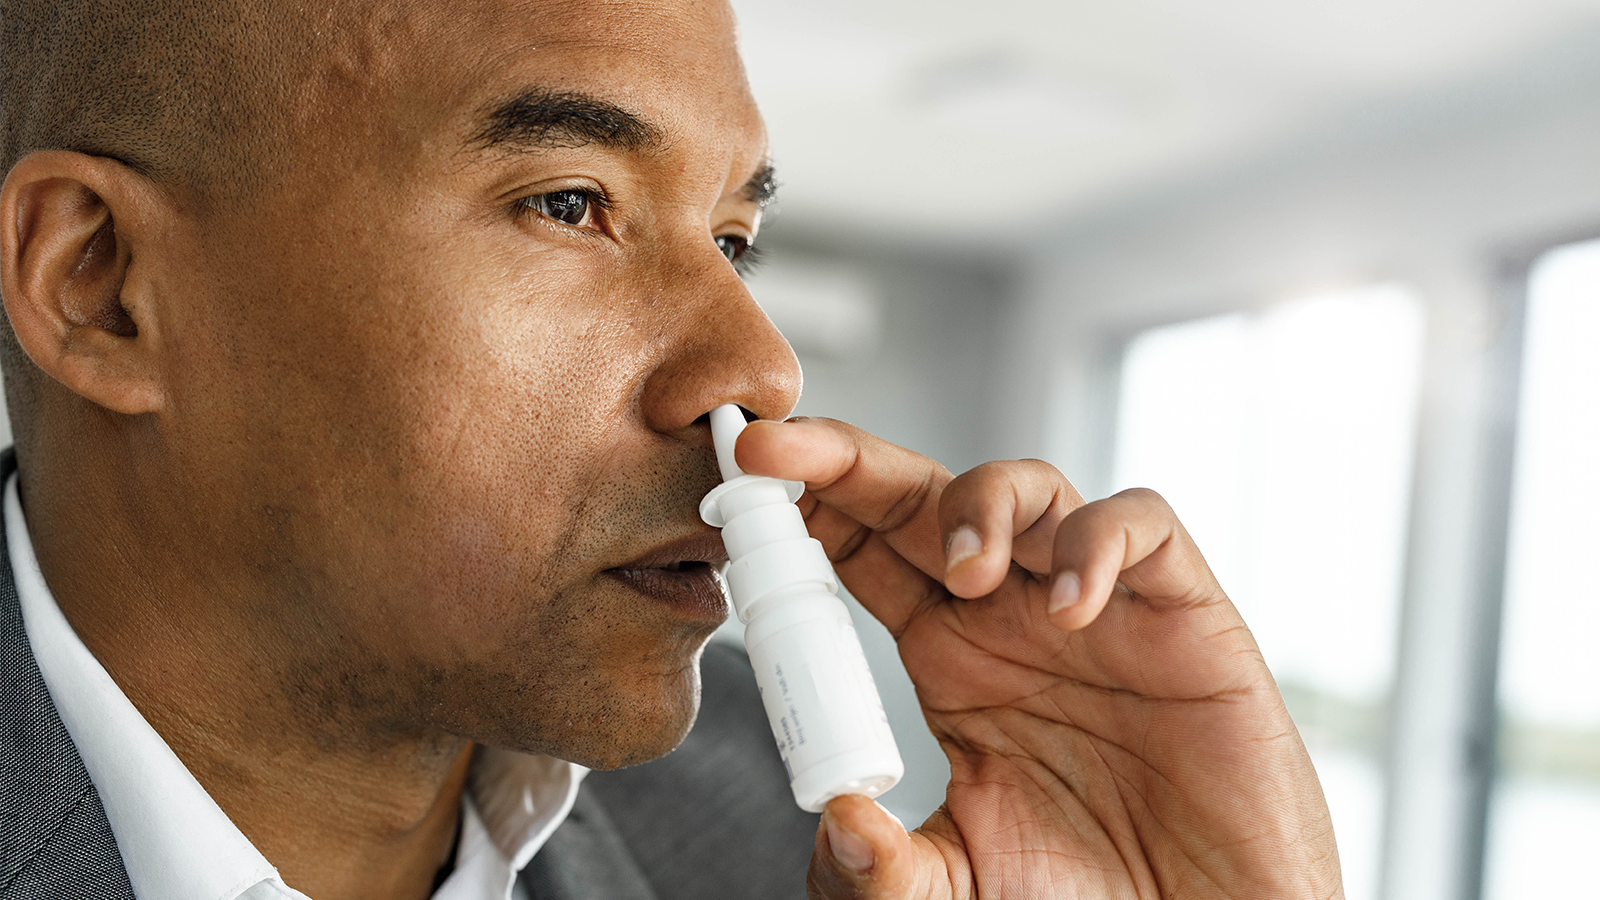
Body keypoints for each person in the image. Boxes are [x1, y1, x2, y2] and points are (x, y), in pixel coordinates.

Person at [0, 0, 1344, 898]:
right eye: (572, 203)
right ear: (103, 285)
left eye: (733, 239)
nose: (760, 370)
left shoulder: (768, 817)